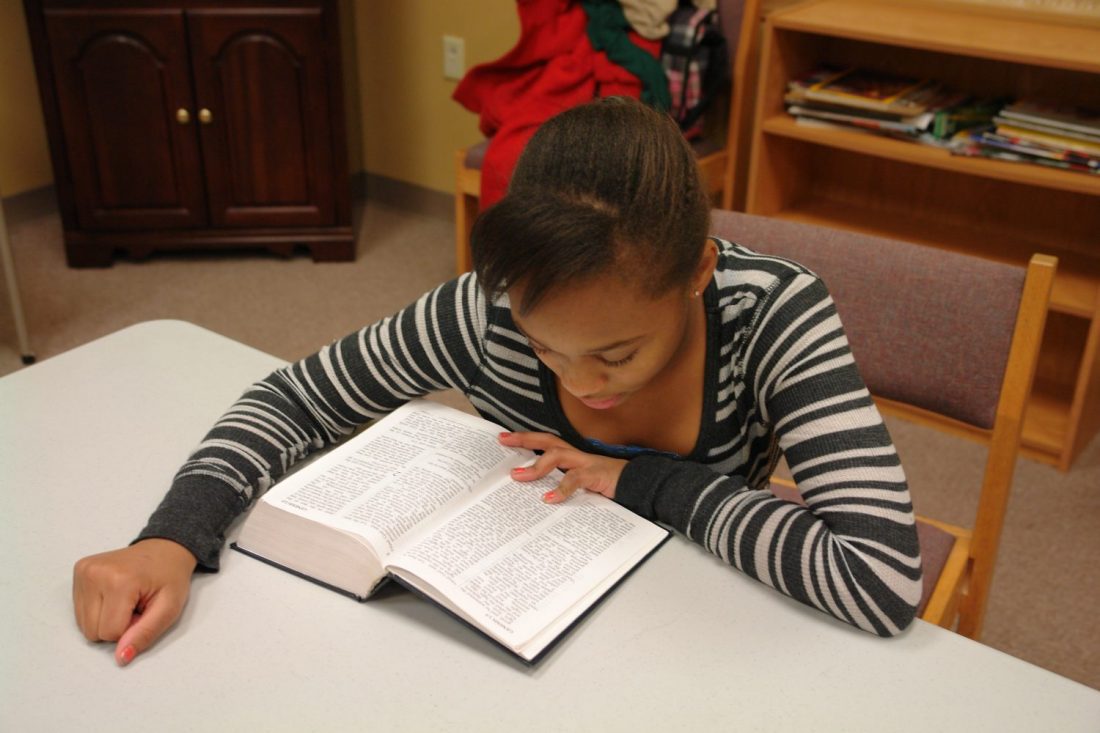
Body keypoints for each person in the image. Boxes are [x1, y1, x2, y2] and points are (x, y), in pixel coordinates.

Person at [72, 97, 922, 667]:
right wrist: (173, 536)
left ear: (698, 271)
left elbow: (881, 579)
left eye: (618, 354)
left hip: (706, 630)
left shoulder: (776, 311)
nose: (583, 386)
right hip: (527, 640)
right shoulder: (483, 312)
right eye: (546, 349)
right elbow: (297, 398)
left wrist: (642, 479)